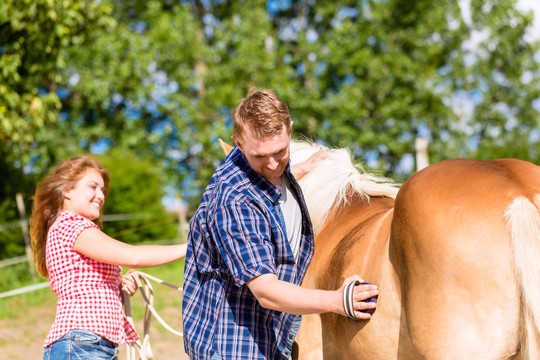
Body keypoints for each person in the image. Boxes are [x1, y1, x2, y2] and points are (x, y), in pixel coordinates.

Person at [182, 88, 378, 360]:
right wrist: (337, 301)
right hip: (235, 347)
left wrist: (302, 167)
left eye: (281, 151)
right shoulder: (234, 202)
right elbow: (266, 291)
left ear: (289, 129)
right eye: (260, 156)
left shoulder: (267, 167)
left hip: (263, 333)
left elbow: (269, 177)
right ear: (238, 144)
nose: (273, 164)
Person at [30, 155, 187, 360]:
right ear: (67, 190)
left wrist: (119, 286)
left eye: (102, 190)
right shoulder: (71, 225)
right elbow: (133, 256)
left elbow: (87, 285)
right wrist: (191, 246)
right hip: (83, 344)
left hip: (89, 344)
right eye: (93, 187)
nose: (101, 195)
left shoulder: (68, 227)